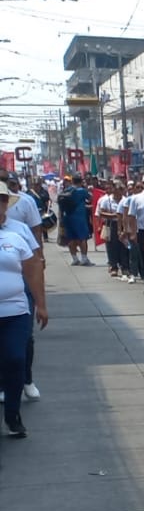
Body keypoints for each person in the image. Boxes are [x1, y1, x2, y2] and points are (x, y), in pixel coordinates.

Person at [0, 185, 47, 439]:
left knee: (16, 358)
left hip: (16, 310)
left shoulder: (17, 233)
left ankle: (13, 414)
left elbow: (33, 270)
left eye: (1, 200)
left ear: (7, 203)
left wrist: (41, 303)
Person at [57, 173, 93, 264]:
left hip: (67, 217)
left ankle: (74, 259)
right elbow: (90, 198)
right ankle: (84, 258)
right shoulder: (82, 191)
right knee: (82, 238)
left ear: (72, 181)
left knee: (71, 238)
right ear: (81, 181)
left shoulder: (66, 190)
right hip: (79, 218)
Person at [96, 181, 125, 277]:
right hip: (111, 224)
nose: (118, 191)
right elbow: (101, 213)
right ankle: (113, 266)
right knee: (111, 246)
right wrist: (114, 215)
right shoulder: (106, 200)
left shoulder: (125, 200)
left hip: (123, 224)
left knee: (123, 246)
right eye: (116, 189)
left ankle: (124, 267)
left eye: (120, 189)